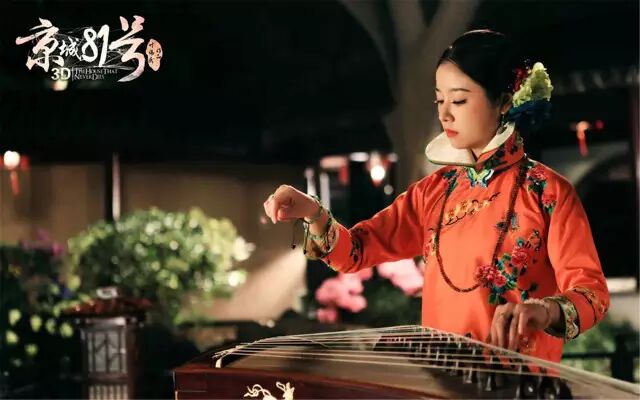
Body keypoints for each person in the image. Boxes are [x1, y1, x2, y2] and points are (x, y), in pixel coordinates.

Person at [262, 29, 609, 363]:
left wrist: (545, 310)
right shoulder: (434, 192)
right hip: (441, 382)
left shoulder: (547, 192)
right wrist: (313, 212)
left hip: (519, 385)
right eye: (440, 100)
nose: (444, 114)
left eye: (458, 100)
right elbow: (355, 251)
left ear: (504, 101)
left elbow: (591, 294)